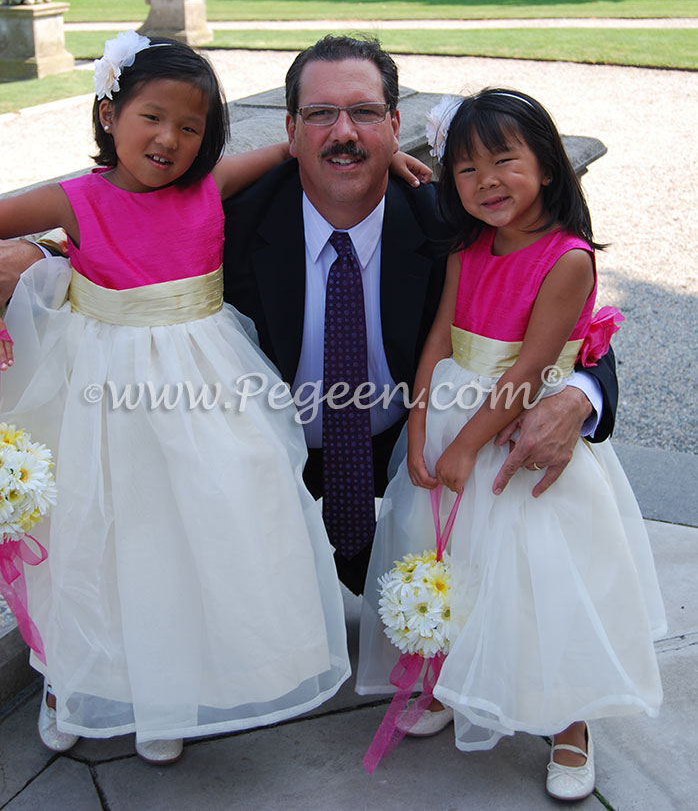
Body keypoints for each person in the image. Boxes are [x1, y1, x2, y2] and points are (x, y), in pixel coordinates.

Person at [0, 36, 618, 598]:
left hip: (411, 450)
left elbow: (559, 305)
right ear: (290, 131)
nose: (343, 133)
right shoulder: (234, 219)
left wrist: (582, 396)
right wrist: (44, 249)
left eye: (365, 113)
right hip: (261, 457)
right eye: (321, 114)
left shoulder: (451, 223)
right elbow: (136, 234)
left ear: (395, 125)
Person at [0, 31, 359, 765]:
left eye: (191, 127)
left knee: (195, 533)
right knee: (99, 536)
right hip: (103, 393)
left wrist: (389, 158)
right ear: (109, 114)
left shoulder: (208, 189)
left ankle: (166, 687)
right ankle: (70, 679)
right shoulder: (76, 199)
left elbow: (292, 151)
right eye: (151, 117)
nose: (169, 139)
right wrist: (38, 257)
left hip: (208, 388)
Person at [356, 89, 666, 801]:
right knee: (452, 555)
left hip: (515, 435)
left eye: (504, 161)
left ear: (549, 167)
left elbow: (529, 369)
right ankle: (451, 677)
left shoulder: (568, 261)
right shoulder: (467, 249)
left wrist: (467, 444)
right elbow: (439, 337)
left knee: (538, 579)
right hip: (453, 413)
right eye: (465, 170)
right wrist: (420, 427)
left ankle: (569, 722)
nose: (486, 181)